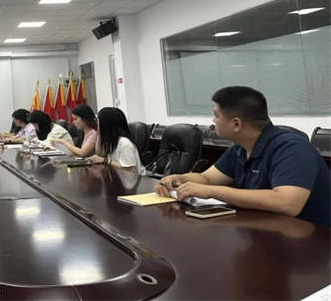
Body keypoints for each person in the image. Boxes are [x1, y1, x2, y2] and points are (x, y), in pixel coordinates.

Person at [155, 86, 330, 226]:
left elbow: (287, 203)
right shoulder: (240, 148)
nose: (213, 121)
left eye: (216, 116)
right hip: (268, 230)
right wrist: (181, 179)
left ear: (236, 124)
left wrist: (211, 192)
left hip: (314, 241)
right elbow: (207, 179)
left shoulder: (291, 148)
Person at [87, 107, 144, 173]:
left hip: (133, 178)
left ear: (105, 125)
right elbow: (99, 153)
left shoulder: (125, 143)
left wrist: (105, 161)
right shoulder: (112, 140)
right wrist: (99, 133)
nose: (96, 124)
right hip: (119, 176)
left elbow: (130, 170)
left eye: (98, 121)